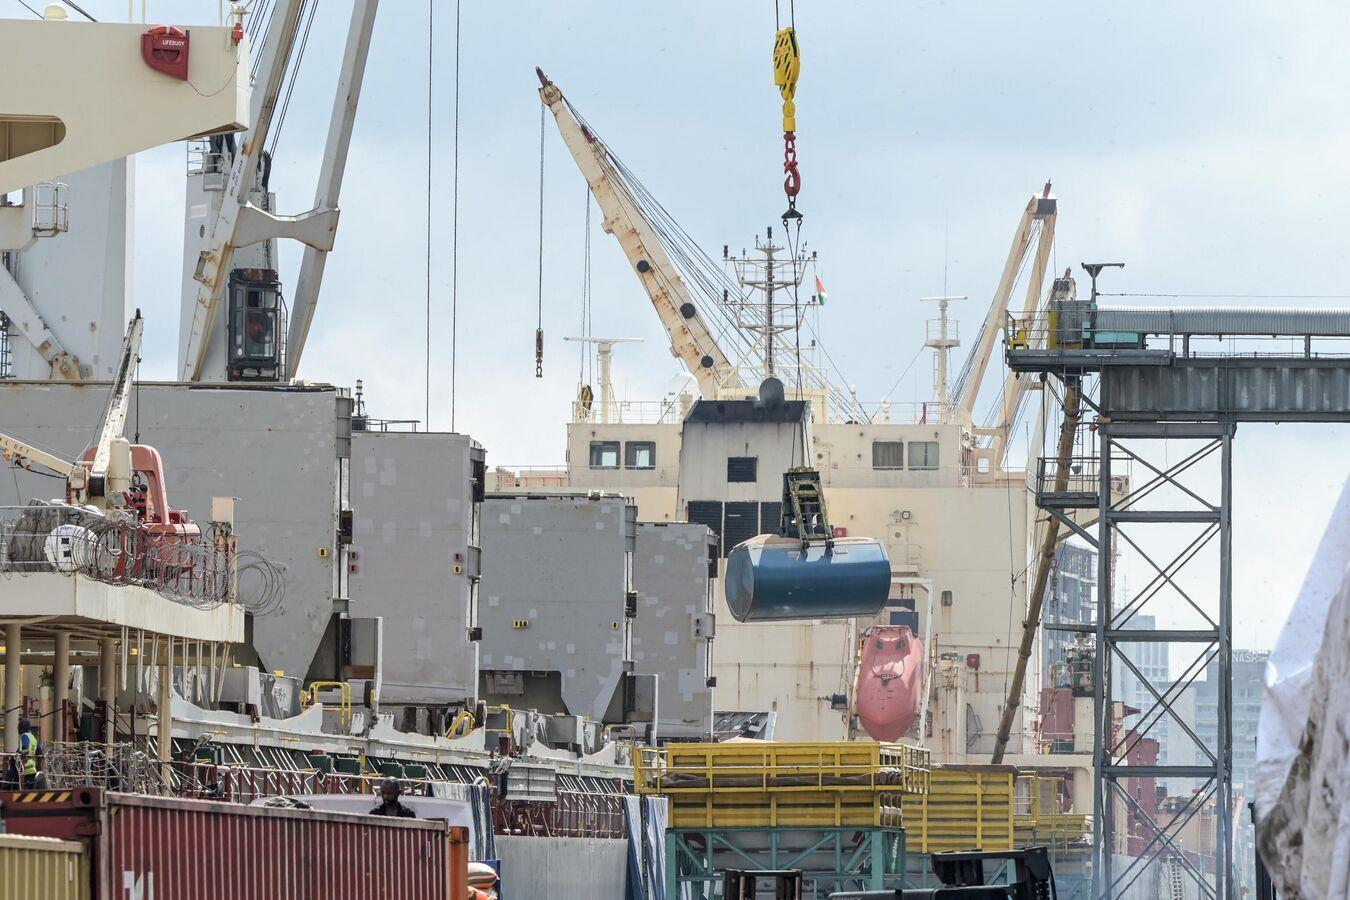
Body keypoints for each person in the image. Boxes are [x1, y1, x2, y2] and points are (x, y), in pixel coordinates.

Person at [17, 717, 39, 789]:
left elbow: (26, 750)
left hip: (24, 769)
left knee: (9, 779)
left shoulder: (24, 736)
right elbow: (39, 751)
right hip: (32, 769)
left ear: (23, 727)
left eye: (19, 726)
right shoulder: (33, 737)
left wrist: (19, 753)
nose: (18, 728)